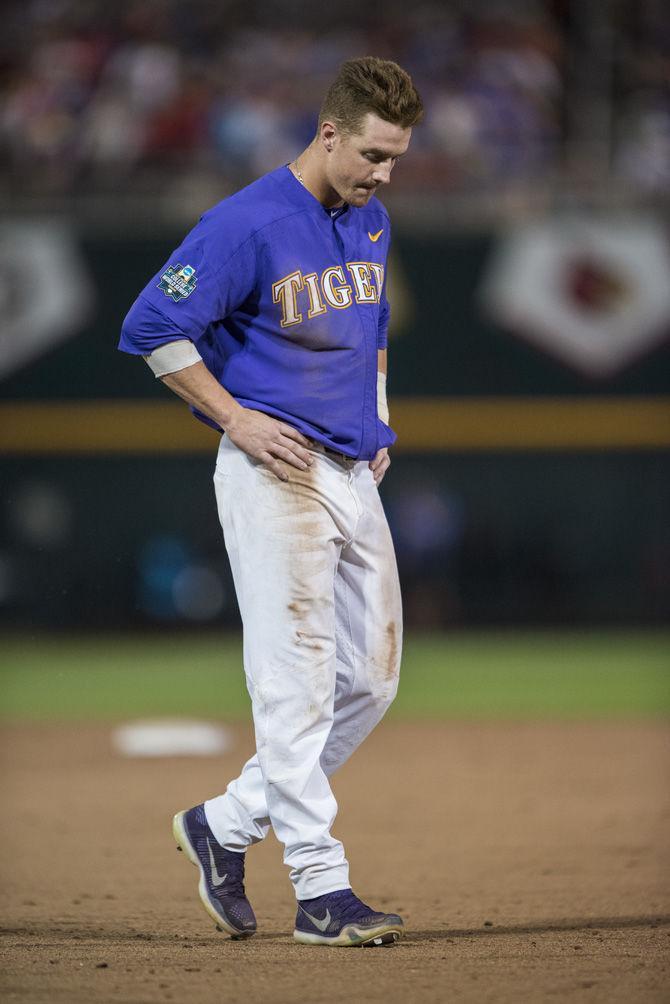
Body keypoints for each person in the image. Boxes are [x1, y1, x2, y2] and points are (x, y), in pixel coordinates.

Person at [119, 56, 423, 948]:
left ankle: (224, 822)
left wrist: (378, 419)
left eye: (397, 157)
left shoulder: (370, 220)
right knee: (292, 691)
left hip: (351, 471)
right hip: (275, 471)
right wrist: (235, 419)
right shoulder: (245, 223)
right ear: (329, 132)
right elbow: (150, 328)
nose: (384, 174)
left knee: (369, 679)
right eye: (373, 153)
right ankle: (322, 893)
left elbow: (367, 332)